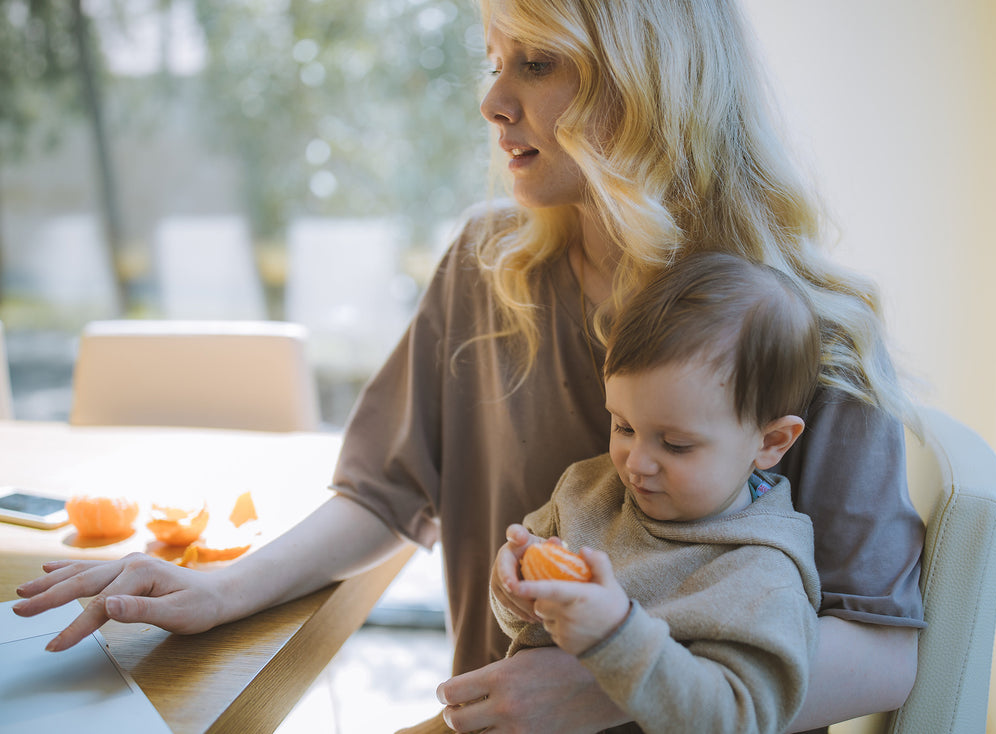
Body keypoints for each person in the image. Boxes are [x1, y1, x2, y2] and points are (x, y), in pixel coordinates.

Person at [13, 0, 926, 732]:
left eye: (538, 62)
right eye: (495, 59)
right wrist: (221, 588)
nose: (494, 101)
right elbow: (382, 494)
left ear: (648, 83)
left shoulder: (808, 328)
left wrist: (610, 690)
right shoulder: (489, 267)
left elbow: (884, 649)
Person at [489, 252, 823, 734]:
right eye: (623, 426)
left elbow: (735, 719)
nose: (635, 463)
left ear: (770, 442)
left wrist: (615, 636)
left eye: (676, 444)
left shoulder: (760, 574)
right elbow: (524, 623)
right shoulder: (587, 490)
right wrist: (512, 588)